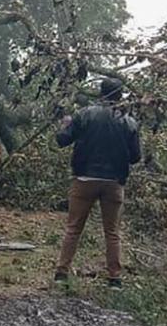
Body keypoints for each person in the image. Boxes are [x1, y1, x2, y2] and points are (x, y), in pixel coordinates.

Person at [53, 78, 141, 288]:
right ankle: (114, 278)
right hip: (114, 183)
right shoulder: (129, 121)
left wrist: (65, 124)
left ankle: (61, 274)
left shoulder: (85, 114)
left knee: (73, 228)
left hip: (85, 178)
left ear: (101, 93)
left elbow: (62, 140)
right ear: (121, 96)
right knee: (112, 232)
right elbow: (135, 157)